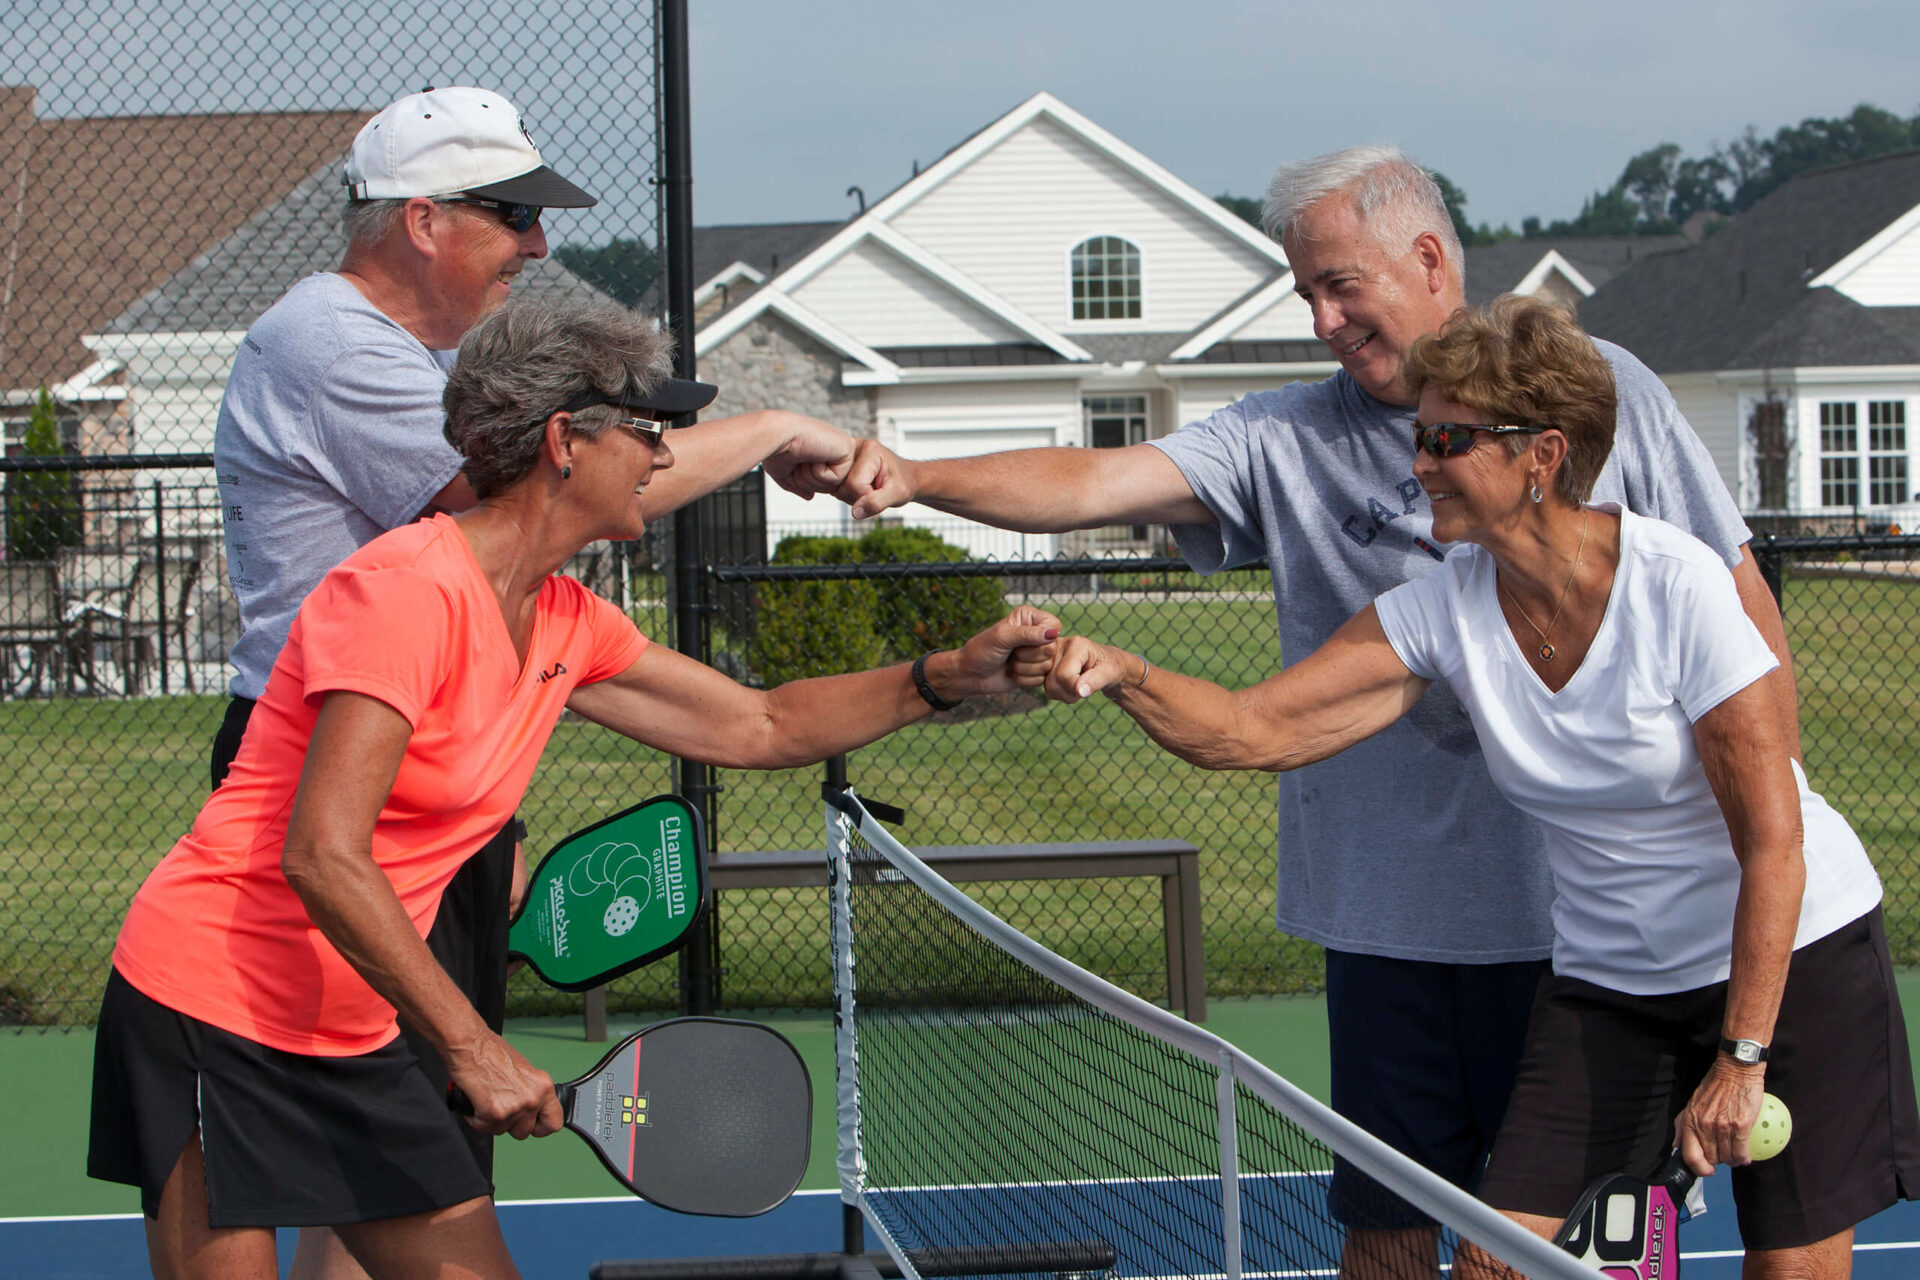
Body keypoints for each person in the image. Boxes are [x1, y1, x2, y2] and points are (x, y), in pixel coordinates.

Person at [817, 145, 1799, 1254]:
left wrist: (1767, 854)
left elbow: (1743, 615)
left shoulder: (1604, 388)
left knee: (1579, 1254)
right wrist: (917, 475)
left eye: (1341, 285)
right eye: (1306, 292)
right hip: (1383, 930)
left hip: (1590, 938)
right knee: (1385, 1240)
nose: (1322, 318)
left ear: (1428, 259)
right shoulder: (1280, 437)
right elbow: (1098, 482)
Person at [90, 295, 1060, 1280]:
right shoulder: (402, 593)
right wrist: (471, 1049)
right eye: (647, 431)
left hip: (350, 1022)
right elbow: (323, 854)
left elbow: (764, 722)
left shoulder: (565, 618)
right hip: (209, 1000)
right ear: (565, 441)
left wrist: (947, 675)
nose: (661, 455)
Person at [1043, 295, 1918, 1279]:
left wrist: (1743, 1054)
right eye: (1420, 437)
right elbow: (1255, 727)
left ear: (1543, 453)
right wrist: (1127, 672)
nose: (1418, 464)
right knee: (1496, 1262)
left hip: (1792, 958)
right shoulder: (1442, 609)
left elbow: (1774, 837)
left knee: (1792, 1264)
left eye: (1447, 439)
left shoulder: (1676, 585)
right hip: (1614, 983)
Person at [209, 86, 865, 1278]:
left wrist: (481, 814)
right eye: (513, 214)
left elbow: (737, 706)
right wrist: (770, 431)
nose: (539, 245)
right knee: (398, 1162)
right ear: (421, 220)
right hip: (328, 786)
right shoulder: (336, 344)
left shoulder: (388, 349)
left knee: (393, 1166)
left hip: (416, 777)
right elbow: (543, 490)